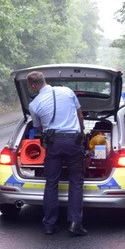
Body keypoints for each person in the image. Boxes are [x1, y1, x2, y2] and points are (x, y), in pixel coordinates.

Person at [27, 70, 87, 236]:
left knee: (51, 182)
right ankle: (75, 224)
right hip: (73, 142)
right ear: (43, 80)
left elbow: (38, 127)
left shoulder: (34, 105)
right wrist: (81, 135)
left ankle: (49, 224)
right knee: (75, 181)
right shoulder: (67, 91)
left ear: (33, 86)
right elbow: (80, 115)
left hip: (53, 144)